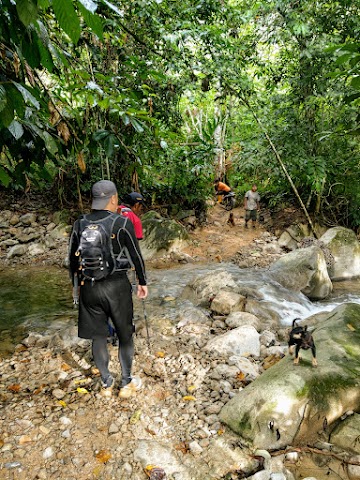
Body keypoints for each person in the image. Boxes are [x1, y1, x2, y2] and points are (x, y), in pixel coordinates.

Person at [68, 180, 148, 399]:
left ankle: (106, 382)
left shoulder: (79, 223)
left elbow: (72, 260)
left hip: (89, 288)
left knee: (98, 337)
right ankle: (126, 381)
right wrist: (142, 282)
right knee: (124, 335)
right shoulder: (122, 222)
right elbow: (136, 256)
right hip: (116, 287)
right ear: (113, 199)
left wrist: (76, 287)